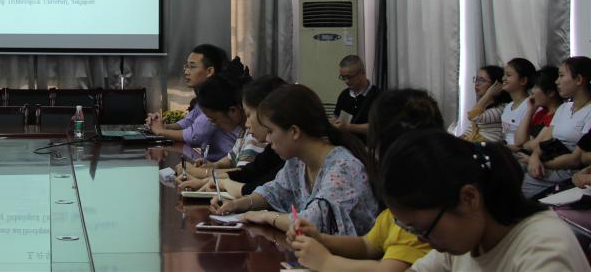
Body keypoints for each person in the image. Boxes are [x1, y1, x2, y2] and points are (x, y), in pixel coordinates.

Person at [380, 129, 590, 271]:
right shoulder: (467, 238)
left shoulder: (544, 252)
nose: (421, 240)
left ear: (469, 198)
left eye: (423, 230)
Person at [288, 89, 444, 271]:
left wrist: (325, 262)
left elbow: (388, 270)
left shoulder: (417, 214)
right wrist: (319, 239)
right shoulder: (396, 211)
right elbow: (367, 245)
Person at [211, 84, 378, 236]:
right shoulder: (298, 162)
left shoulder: (343, 167)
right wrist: (239, 204)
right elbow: (274, 191)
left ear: (294, 132)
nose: (267, 140)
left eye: (270, 131)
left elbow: (311, 222)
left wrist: (266, 216)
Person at [179, 75, 286, 197]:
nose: (247, 124)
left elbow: (250, 181)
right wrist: (212, 171)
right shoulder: (258, 141)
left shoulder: (258, 140)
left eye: (249, 115)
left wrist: (203, 174)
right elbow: (246, 172)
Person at [146, 44, 239, 161]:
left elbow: (195, 135)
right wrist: (162, 126)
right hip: (213, 163)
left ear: (210, 71)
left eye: (192, 67)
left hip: (228, 164)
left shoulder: (217, 96)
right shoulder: (205, 94)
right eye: (186, 66)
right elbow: (189, 122)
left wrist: (161, 131)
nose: (186, 72)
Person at [523, 56, 591, 197]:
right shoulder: (564, 108)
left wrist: (539, 162)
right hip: (549, 161)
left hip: (566, 170)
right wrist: (534, 157)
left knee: (517, 182)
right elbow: (545, 141)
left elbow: (576, 159)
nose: (556, 81)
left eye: (561, 76)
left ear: (579, 79)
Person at [512, 65, 562, 152]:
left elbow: (534, 144)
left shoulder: (559, 114)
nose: (532, 91)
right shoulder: (540, 113)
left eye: (536, 87)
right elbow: (518, 141)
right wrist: (530, 111)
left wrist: (524, 145)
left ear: (550, 92)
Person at [331, 55, 380, 138]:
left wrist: (348, 127)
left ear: (362, 72)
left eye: (349, 77)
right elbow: (336, 117)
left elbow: (378, 127)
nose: (346, 81)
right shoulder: (344, 95)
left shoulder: (378, 96)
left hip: (367, 144)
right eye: (343, 77)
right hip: (345, 143)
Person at [462, 65, 510, 143]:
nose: (476, 84)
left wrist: (488, 95)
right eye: (476, 80)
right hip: (476, 141)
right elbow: (472, 127)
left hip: (488, 145)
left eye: (481, 80)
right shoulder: (483, 106)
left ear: (496, 85)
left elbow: (473, 116)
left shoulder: (501, 108)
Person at [499, 58, 537, 147]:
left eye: (508, 75)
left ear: (523, 80)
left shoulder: (530, 105)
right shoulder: (508, 106)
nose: (503, 78)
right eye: (504, 74)